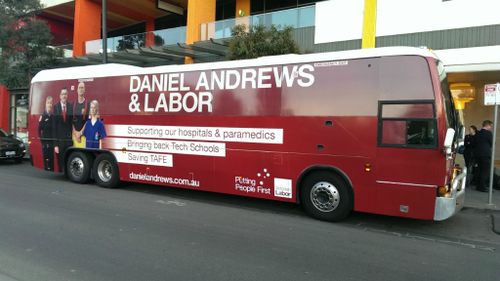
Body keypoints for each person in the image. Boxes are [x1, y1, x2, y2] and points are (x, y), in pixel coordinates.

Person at [53, 87, 73, 172]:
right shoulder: (56, 107)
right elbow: (54, 126)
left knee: (68, 160)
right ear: (60, 96)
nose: (64, 96)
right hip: (59, 140)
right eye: (62, 94)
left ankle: (67, 173)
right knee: (60, 161)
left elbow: (72, 123)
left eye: (65, 94)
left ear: (67, 95)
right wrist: (55, 144)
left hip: (68, 140)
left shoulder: (70, 106)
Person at [473, 120, 493, 192]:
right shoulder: (488, 133)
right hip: (485, 154)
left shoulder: (477, 133)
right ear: (487, 125)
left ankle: (478, 186)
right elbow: (491, 143)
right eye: (490, 126)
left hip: (478, 154)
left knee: (479, 170)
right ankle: (482, 187)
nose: (491, 127)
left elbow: (474, 143)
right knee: (485, 171)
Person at [38, 96, 55, 171]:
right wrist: (42, 141)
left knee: (51, 157)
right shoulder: (43, 115)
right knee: (46, 157)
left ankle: (51, 169)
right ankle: (46, 169)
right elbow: (39, 129)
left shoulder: (53, 115)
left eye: (51, 103)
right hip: (45, 141)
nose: (50, 105)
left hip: (51, 141)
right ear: (46, 104)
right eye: (48, 103)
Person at [72, 82, 90, 148]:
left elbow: (88, 121)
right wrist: (75, 133)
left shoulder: (88, 104)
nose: (81, 89)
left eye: (82, 88)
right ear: (77, 90)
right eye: (79, 88)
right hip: (74, 136)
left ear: (84, 90)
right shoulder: (73, 104)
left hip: (83, 136)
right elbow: (70, 121)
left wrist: (80, 133)